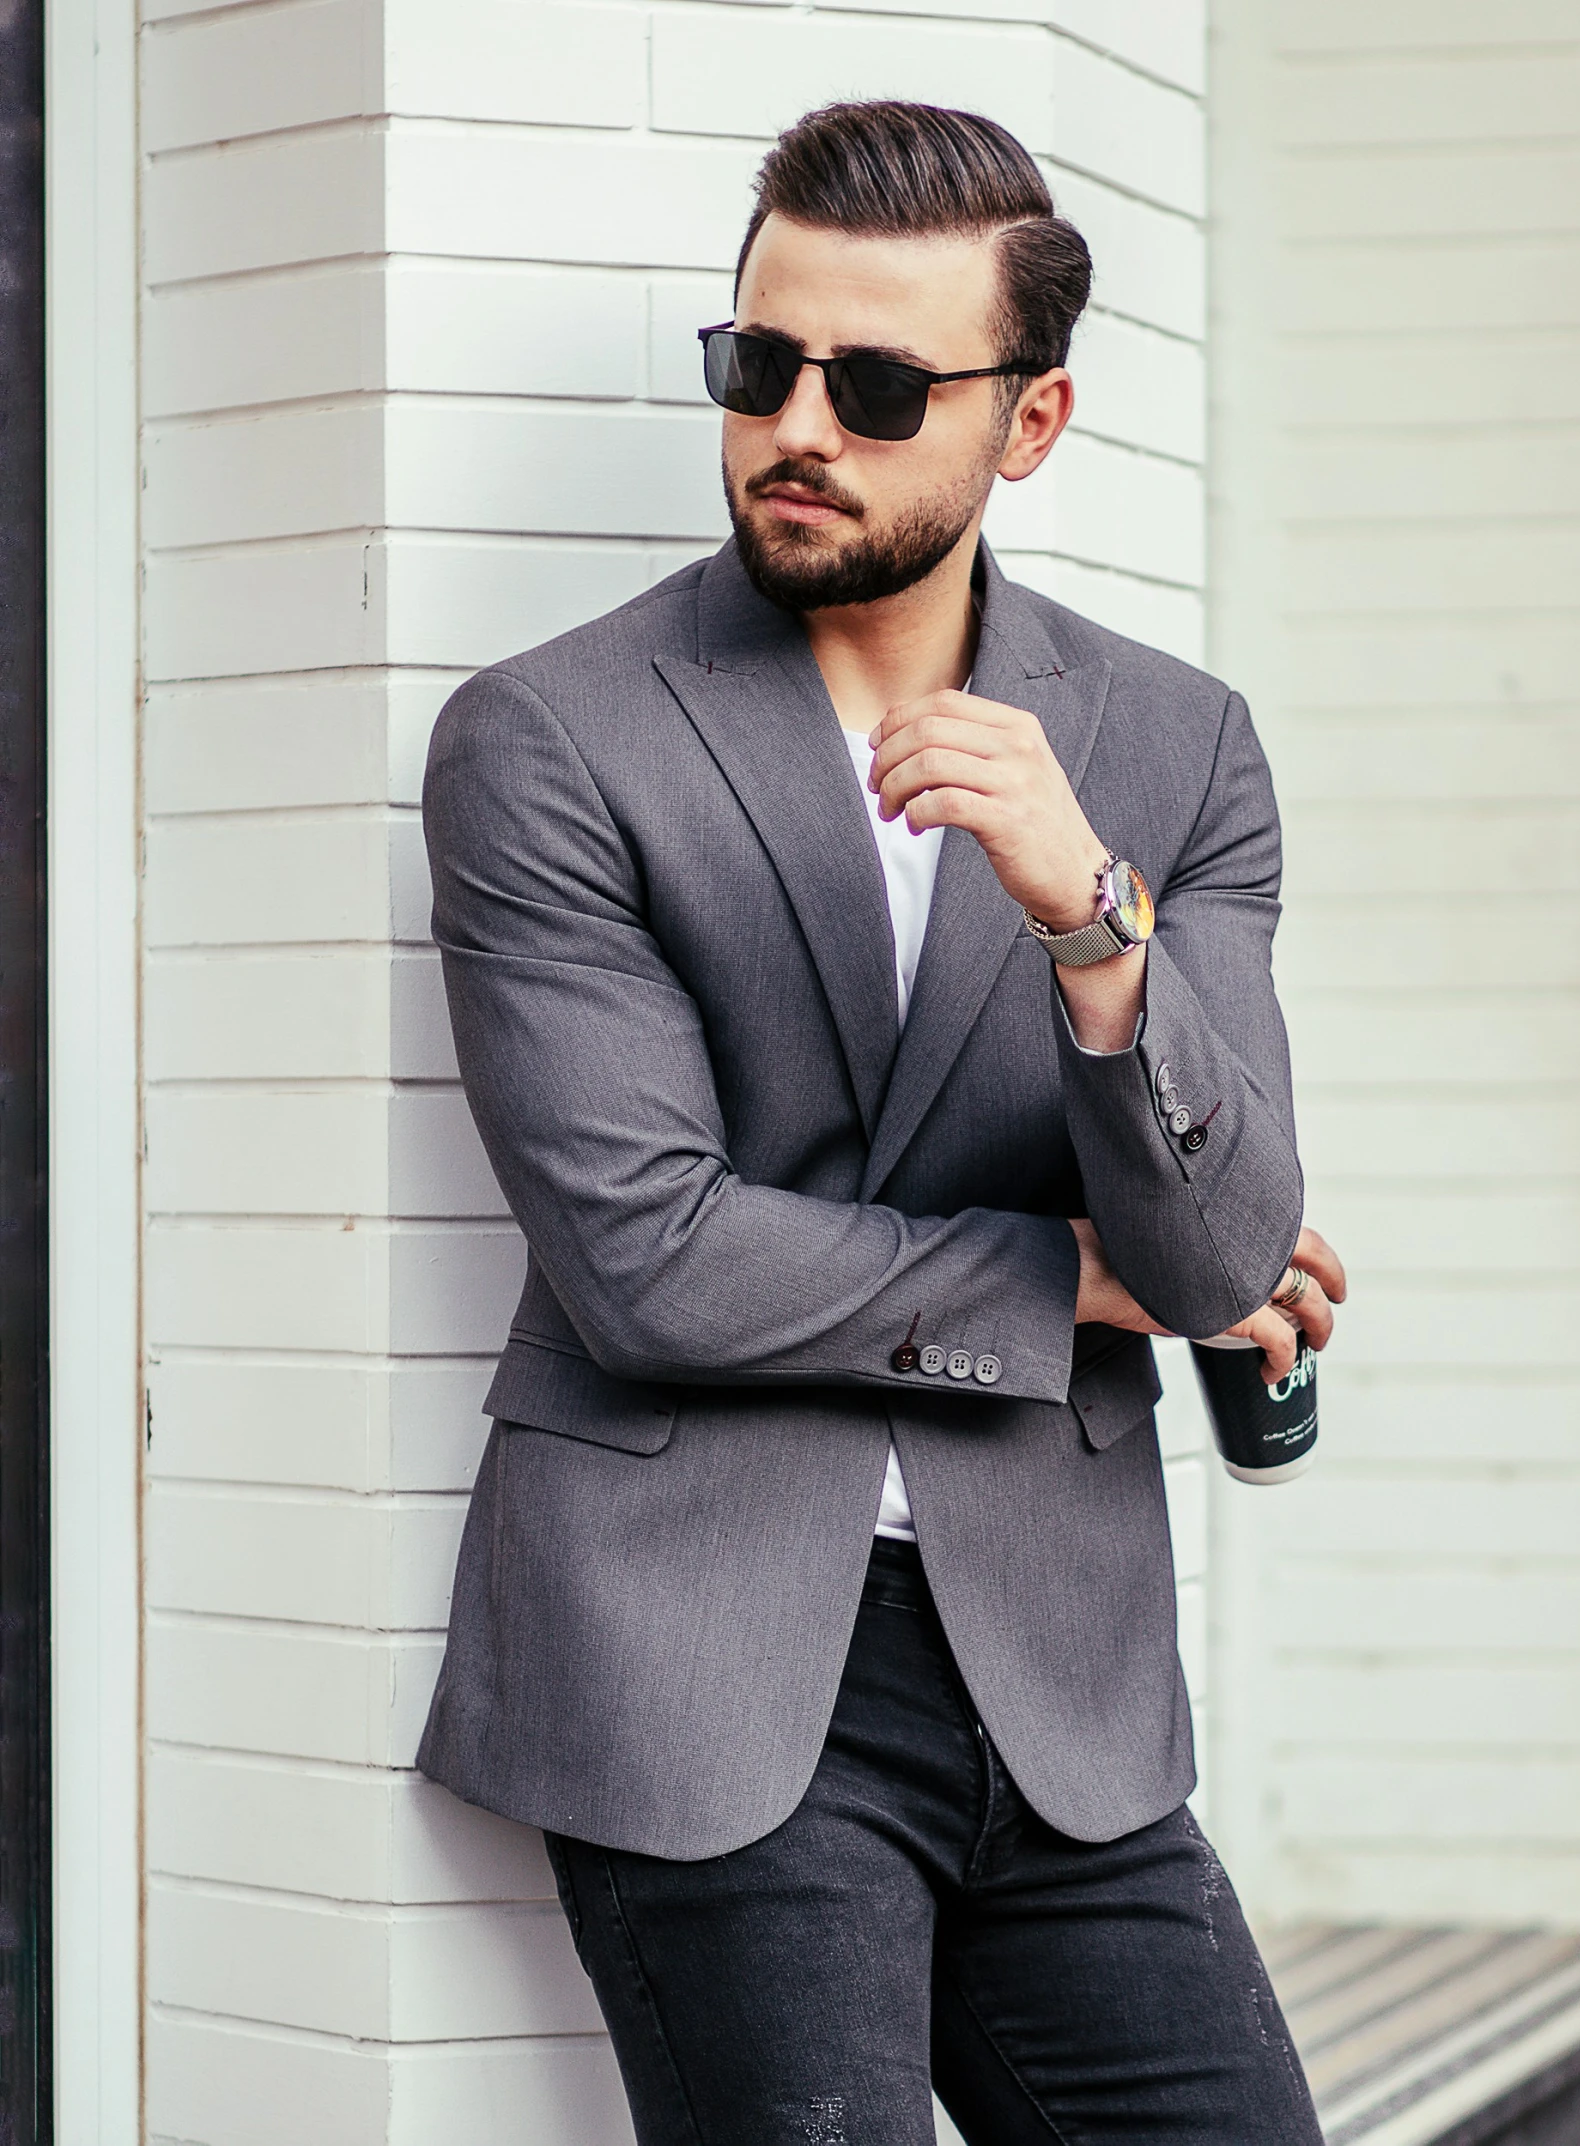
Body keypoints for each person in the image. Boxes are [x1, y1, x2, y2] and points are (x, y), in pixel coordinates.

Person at [417, 98, 1345, 2146]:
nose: (795, 425)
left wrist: (1094, 922)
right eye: (759, 364)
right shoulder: (554, 737)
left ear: (1031, 423)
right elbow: (646, 1254)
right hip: (713, 1660)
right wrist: (1066, 1276)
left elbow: (1216, 1261)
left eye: (879, 381)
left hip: (1066, 1682)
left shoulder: (1174, 752)